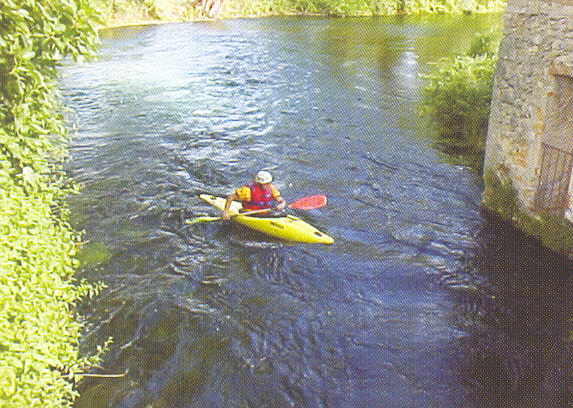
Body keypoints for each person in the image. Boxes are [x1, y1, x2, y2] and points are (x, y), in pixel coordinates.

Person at [221, 170, 286, 220]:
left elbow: (280, 199)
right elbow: (230, 197)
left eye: (268, 183)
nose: (266, 186)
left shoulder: (271, 188)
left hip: (266, 214)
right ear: (259, 183)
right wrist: (226, 211)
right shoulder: (247, 191)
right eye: (264, 184)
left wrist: (282, 203)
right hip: (250, 214)